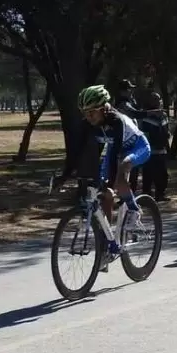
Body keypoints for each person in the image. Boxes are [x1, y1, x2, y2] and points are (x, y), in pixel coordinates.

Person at [55, 85, 151, 257]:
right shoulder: (89, 124)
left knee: (120, 171)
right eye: (85, 113)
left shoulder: (117, 121)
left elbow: (116, 154)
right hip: (115, 151)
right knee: (105, 195)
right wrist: (66, 175)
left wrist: (111, 181)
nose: (88, 117)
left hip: (137, 147)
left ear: (104, 109)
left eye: (92, 112)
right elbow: (78, 153)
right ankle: (109, 243)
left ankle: (134, 210)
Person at [138, 92, 170, 201]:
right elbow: (142, 132)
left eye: (158, 99)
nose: (157, 101)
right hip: (149, 152)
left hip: (162, 150)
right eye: (155, 99)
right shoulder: (145, 116)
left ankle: (160, 194)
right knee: (148, 175)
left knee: (163, 174)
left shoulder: (164, 115)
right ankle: (147, 196)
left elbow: (166, 130)